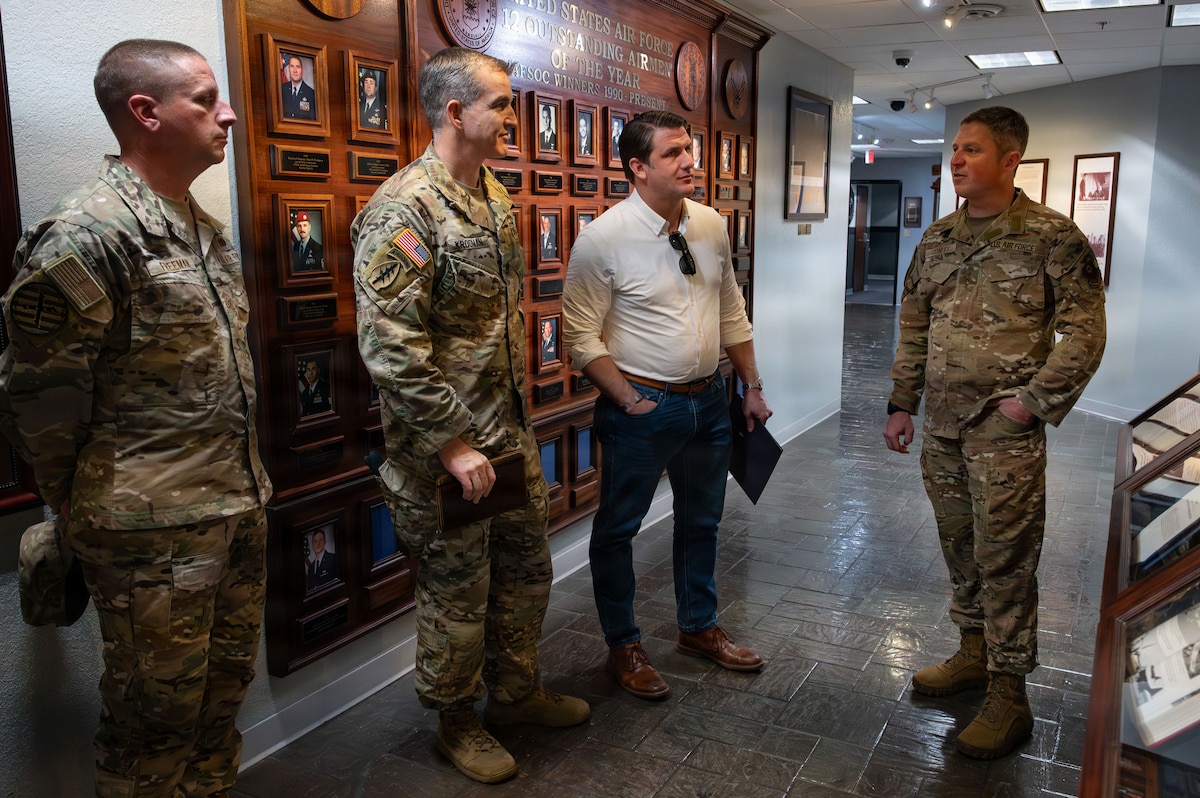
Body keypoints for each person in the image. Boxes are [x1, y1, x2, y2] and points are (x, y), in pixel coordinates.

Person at [0, 39, 272, 796]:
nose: (229, 114)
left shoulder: (196, 226)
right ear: (145, 113)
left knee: (220, 703)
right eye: (205, 99)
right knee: (153, 720)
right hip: (147, 532)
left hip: (229, 511)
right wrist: (80, 503)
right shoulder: (89, 233)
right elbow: (40, 396)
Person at [351, 46, 589, 785]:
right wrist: (452, 443)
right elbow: (390, 347)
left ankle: (514, 694)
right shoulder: (404, 209)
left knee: (524, 570)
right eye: (503, 104)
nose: (515, 117)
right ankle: (457, 721)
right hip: (445, 451)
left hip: (505, 435)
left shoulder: (490, 194)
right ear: (456, 112)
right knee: (457, 594)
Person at [882, 106, 1106, 760]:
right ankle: (973, 652)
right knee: (960, 546)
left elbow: (1086, 332)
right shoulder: (938, 239)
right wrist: (902, 403)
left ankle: (1011, 690)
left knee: (1006, 556)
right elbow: (914, 324)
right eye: (955, 148)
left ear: (1010, 160)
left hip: (1003, 431)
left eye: (972, 149)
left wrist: (1032, 403)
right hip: (943, 429)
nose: (956, 159)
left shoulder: (1050, 236)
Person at [562, 110, 770, 701]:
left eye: (690, 149)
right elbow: (580, 335)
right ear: (637, 167)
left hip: (709, 400)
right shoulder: (603, 238)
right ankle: (623, 645)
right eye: (674, 153)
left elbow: (731, 308)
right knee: (618, 530)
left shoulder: (709, 224)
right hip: (644, 410)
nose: (690, 162)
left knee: (702, 520)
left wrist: (750, 384)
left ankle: (697, 628)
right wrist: (628, 399)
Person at [282, 54, 316, 119]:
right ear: (289, 69)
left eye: (297, 67)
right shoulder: (282, 89)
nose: (295, 71)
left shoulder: (311, 94)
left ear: (302, 71)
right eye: (292, 66)